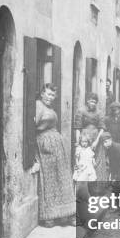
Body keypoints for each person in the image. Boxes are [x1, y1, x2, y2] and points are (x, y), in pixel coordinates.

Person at [35, 84, 75, 226]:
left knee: (62, 177)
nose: (50, 97)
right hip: (46, 147)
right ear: (42, 94)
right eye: (48, 94)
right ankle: (49, 216)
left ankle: (66, 214)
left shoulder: (50, 108)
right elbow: (33, 126)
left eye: (52, 95)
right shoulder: (38, 105)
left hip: (57, 147)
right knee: (50, 179)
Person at [74, 92, 108, 181]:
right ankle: (84, 185)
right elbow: (78, 127)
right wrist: (78, 143)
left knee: (97, 160)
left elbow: (102, 128)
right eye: (91, 101)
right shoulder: (81, 111)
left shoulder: (99, 112)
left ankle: (97, 187)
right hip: (84, 138)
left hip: (97, 138)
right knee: (84, 160)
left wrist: (96, 141)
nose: (92, 103)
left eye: (94, 102)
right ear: (87, 101)